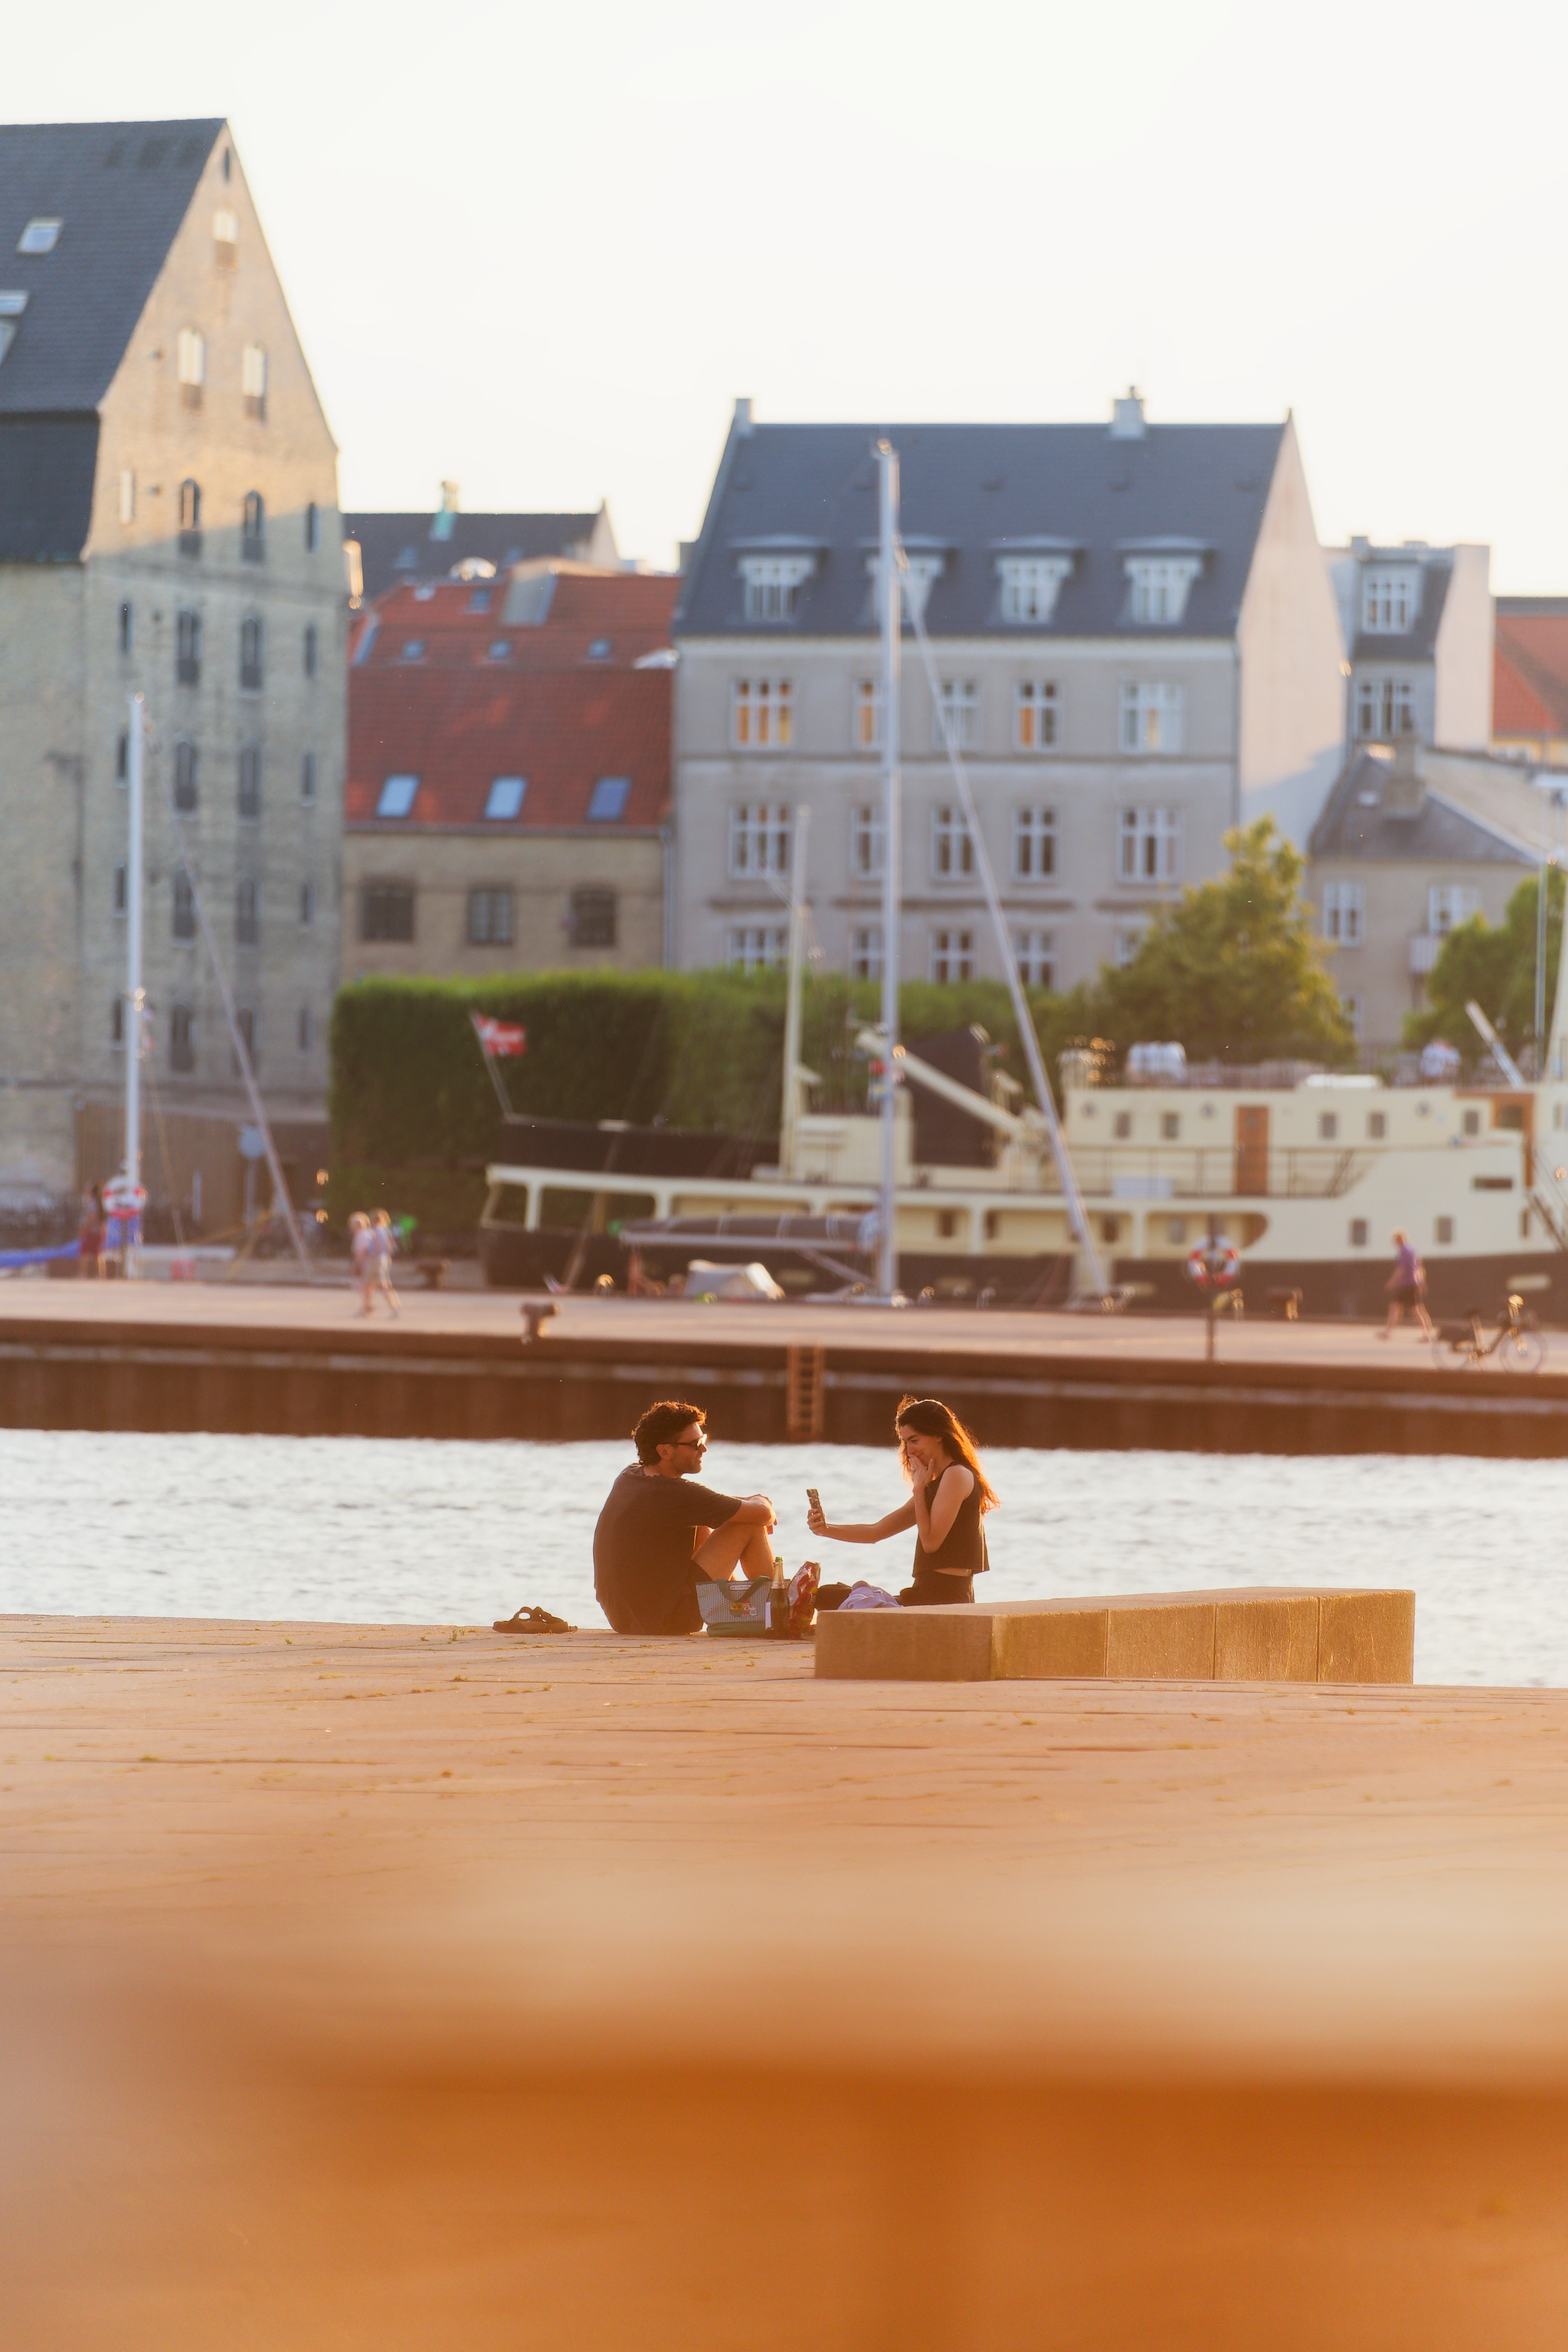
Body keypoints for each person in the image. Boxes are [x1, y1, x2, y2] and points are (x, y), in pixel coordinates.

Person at [593, 1400, 779, 1635]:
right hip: (666, 1620)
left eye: (704, 1440)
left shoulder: (632, 1476)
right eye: (695, 1444)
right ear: (665, 1451)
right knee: (747, 1525)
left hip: (627, 1618)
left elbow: (704, 1504)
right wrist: (763, 1500)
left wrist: (747, 1503)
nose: (704, 1449)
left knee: (707, 1520)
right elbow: (762, 1515)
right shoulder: (675, 1494)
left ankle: (740, 1604)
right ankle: (779, 1614)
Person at [808, 1394, 997, 1609]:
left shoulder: (956, 1475)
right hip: (922, 1595)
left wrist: (918, 1490)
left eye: (915, 1441)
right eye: (906, 1442)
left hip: (944, 1602)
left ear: (938, 1435)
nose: (909, 1450)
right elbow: (876, 1532)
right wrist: (825, 1529)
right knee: (828, 1594)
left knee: (840, 1601)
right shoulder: (935, 1484)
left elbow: (931, 1543)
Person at [1379, 1228, 1435, 1340]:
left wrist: (1392, 1283)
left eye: (1395, 1239)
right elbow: (1419, 1268)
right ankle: (1388, 1333)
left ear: (1399, 1239)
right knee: (1396, 1307)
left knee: (1416, 1310)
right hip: (1411, 1285)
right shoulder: (1413, 1250)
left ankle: (1428, 1334)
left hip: (1407, 1285)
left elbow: (1401, 1270)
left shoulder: (1404, 1252)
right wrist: (1421, 1282)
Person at [371, 1209, 401, 1317]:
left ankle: (395, 1308)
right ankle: (368, 1307)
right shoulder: (385, 1230)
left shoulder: (376, 1231)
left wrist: (373, 1257)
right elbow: (391, 1247)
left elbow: (378, 1247)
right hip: (385, 1259)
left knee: (383, 1285)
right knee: (379, 1284)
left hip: (378, 1260)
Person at [77, 1182, 105, 1279]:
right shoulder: (100, 1203)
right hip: (98, 1231)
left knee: (84, 1252)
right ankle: (100, 1274)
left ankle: (83, 1274)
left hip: (92, 1231)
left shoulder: (93, 1203)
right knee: (97, 1254)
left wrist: (85, 1228)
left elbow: (93, 1217)